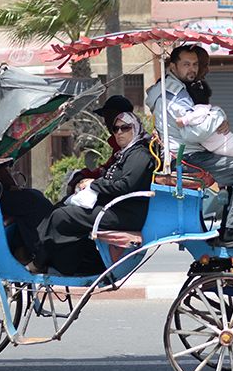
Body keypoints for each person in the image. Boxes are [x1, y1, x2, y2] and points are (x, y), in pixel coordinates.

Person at [145, 44, 233, 248]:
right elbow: (194, 132)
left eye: (195, 64)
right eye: (186, 64)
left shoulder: (176, 90)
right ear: (173, 66)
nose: (192, 69)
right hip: (187, 158)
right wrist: (218, 114)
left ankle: (228, 228)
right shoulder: (173, 96)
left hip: (188, 154)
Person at [32, 112, 156, 275]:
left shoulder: (140, 155)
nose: (119, 132)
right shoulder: (126, 153)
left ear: (135, 129)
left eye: (124, 128)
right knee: (60, 208)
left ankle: (41, 262)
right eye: (115, 128)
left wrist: (94, 184)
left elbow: (126, 185)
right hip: (114, 208)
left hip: (124, 213)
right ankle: (58, 259)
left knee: (62, 216)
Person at [64, 94, 135, 194]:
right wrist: (84, 175)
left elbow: (122, 182)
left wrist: (93, 182)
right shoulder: (119, 146)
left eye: (124, 127)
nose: (107, 123)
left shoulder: (137, 149)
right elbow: (107, 169)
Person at [177, 80, 233, 158]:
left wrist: (183, 120)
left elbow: (194, 117)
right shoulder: (214, 110)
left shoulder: (200, 110)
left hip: (224, 149)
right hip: (231, 145)